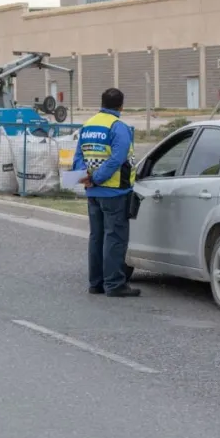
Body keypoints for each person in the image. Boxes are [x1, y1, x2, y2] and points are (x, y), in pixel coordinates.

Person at [73, 87, 140, 298]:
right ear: (121, 106)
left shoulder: (88, 125)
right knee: (115, 238)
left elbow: (78, 157)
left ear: (101, 103)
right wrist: (98, 178)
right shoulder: (118, 127)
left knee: (97, 237)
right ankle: (114, 284)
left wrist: (86, 177)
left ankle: (96, 283)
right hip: (114, 191)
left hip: (93, 192)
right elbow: (117, 159)